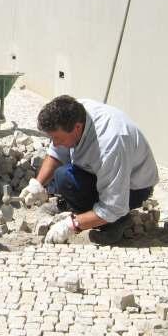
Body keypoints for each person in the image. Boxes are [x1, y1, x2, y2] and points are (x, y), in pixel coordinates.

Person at [19, 95, 159, 245]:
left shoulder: (110, 143)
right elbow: (57, 153)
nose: (55, 143)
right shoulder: (74, 114)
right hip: (100, 171)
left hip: (133, 188)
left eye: (58, 138)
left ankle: (117, 222)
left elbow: (113, 206)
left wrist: (72, 225)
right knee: (63, 176)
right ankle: (86, 211)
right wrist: (37, 184)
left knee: (111, 209)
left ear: (77, 128)